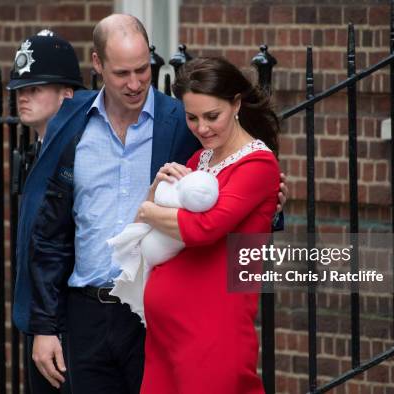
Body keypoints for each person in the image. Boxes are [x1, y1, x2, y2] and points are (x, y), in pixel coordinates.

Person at [22, 14, 288, 394]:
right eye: (121, 73)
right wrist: (44, 324)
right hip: (88, 310)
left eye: (142, 69)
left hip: (152, 323)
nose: (134, 83)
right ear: (97, 65)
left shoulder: (181, 122)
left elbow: (230, 200)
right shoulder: (70, 122)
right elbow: (48, 228)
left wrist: (273, 208)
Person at [136, 57, 280, 394]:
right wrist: (156, 191)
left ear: (236, 104)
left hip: (214, 333)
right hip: (167, 334)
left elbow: (205, 228)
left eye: (212, 116)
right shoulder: (198, 160)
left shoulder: (258, 163)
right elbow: (162, 227)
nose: (202, 128)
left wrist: (147, 209)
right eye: (192, 117)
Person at [7, 29, 84, 394]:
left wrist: (48, 326)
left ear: (67, 94)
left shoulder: (75, 152)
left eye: (36, 88)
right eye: (21, 89)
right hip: (42, 321)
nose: (24, 96)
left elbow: (62, 246)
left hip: (65, 327)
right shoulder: (41, 149)